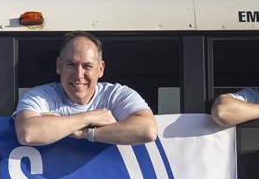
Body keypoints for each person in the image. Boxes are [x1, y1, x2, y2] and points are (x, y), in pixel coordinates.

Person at [14, 31, 157, 147]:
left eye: (87, 66)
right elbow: (28, 133)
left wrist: (85, 133)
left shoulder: (115, 95)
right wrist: (90, 117)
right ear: (59, 65)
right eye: (71, 65)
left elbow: (147, 130)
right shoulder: (40, 96)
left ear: (100, 69)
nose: (79, 75)